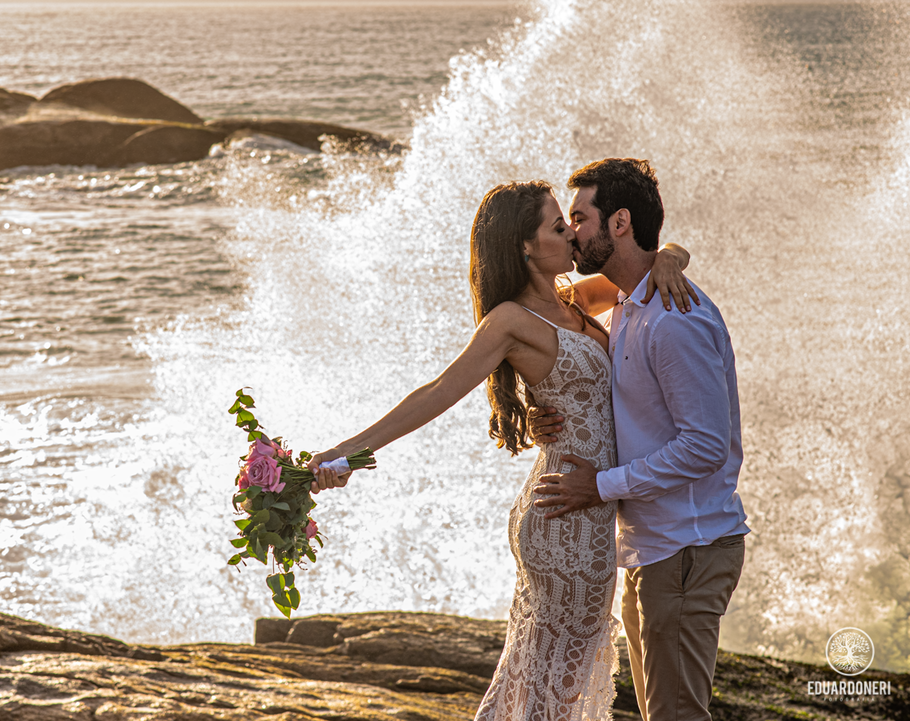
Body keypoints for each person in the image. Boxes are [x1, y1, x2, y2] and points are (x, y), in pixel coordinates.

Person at [307, 179, 693, 720]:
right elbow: (439, 391)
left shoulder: (577, 299)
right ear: (526, 246)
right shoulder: (511, 320)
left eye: (571, 223)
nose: (573, 234)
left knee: (542, 681)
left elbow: (646, 272)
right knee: (551, 688)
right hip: (565, 517)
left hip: (588, 513)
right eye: (559, 227)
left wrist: (672, 257)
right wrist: (347, 454)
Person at [530, 158, 749, 721]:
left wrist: (600, 487)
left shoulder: (674, 318)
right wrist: (541, 412)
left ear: (619, 222)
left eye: (579, 217)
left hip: (686, 549)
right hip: (654, 550)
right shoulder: (626, 298)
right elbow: (545, 317)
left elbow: (704, 446)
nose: (571, 231)